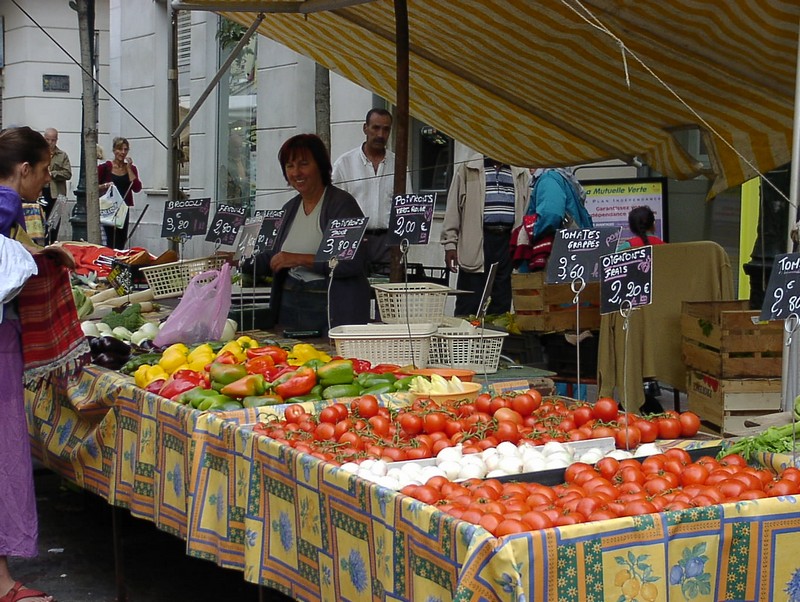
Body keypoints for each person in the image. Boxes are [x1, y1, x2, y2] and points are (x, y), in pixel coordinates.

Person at [1, 125, 80, 602]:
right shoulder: (8, 202)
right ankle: (4, 583)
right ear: (24, 169)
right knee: (5, 454)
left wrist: (34, 253)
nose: (46, 182)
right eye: (45, 172)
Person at [245, 134, 370, 335]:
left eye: (303, 164)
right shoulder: (289, 209)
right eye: (290, 166)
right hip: (290, 304)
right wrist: (237, 259)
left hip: (329, 307)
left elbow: (350, 263)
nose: (296, 172)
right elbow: (275, 257)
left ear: (320, 166)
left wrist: (299, 259)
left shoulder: (342, 205)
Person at [441, 154, 531, 316]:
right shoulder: (468, 167)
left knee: (501, 299)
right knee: (470, 300)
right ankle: (465, 339)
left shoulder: (519, 171)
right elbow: (453, 208)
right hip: (477, 240)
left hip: (507, 241)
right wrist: (450, 244)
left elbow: (526, 207)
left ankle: (493, 338)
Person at [332, 108, 412, 273]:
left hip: (389, 243)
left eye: (386, 129)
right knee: (355, 293)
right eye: (376, 128)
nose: (381, 134)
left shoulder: (399, 165)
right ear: (365, 128)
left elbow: (407, 207)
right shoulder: (344, 164)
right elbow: (334, 209)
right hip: (354, 240)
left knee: (388, 295)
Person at [98, 137, 142, 249]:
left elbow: (137, 188)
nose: (122, 152)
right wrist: (105, 186)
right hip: (108, 208)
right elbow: (93, 187)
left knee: (121, 239)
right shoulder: (104, 168)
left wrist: (128, 169)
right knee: (109, 239)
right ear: (114, 150)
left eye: (125, 149)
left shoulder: (131, 168)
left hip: (123, 208)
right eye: (119, 149)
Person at [40, 128, 71, 244]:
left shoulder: (62, 155)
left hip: (57, 194)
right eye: (48, 140)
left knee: (54, 224)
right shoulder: (39, 154)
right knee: (40, 222)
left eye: (53, 140)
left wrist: (53, 174)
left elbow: (68, 174)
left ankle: (51, 244)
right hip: (41, 191)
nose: (50, 143)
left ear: (56, 140)